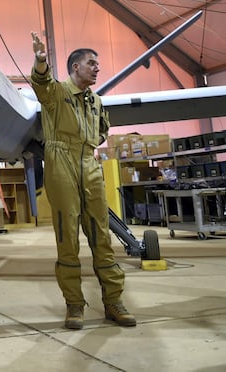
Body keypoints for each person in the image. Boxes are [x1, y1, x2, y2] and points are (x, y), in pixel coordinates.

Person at [30, 32, 136, 330]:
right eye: (92, 63)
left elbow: (103, 130)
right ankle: (74, 306)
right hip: (60, 161)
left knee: (102, 236)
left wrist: (89, 145)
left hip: (89, 161)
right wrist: (40, 60)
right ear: (75, 67)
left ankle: (113, 302)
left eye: (97, 64)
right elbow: (40, 84)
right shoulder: (56, 93)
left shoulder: (97, 101)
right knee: (67, 237)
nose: (97, 68)